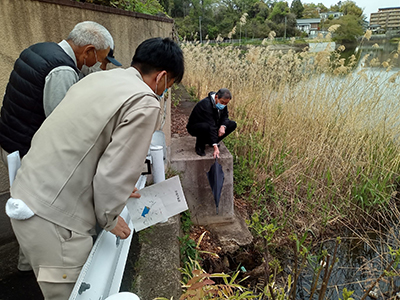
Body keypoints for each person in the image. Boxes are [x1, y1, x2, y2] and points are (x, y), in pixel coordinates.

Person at [6, 37, 184, 300]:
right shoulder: (145, 102)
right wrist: (110, 217)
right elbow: (113, 174)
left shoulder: (98, 79)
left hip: (28, 192)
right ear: (162, 77)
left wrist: (123, 191)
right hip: (55, 220)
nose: (164, 92)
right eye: (169, 86)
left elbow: (90, 147)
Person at [0, 21, 119, 161]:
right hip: (27, 153)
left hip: (10, 140)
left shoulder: (40, 48)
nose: (103, 67)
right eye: (102, 60)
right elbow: (62, 125)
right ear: (88, 51)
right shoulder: (62, 71)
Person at [186, 88, 237, 158]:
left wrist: (223, 126)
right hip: (196, 126)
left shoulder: (223, 104)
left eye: (226, 103)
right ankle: (200, 146)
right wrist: (215, 147)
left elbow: (225, 117)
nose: (224, 105)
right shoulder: (206, 104)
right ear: (216, 97)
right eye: (222, 102)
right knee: (205, 127)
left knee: (232, 124)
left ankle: (211, 141)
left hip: (211, 123)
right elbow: (211, 125)